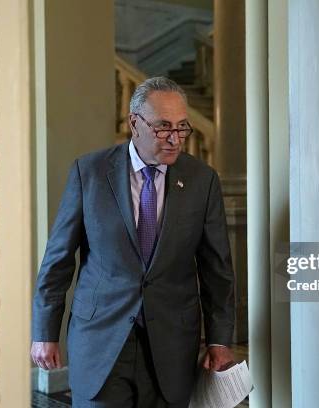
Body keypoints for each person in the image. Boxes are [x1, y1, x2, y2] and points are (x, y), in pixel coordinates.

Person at [30, 77, 235, 407]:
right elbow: (58, 260)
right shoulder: (90, 172)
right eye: (163, 127)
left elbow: (217, 270)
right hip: (100, 339)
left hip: (172, 344)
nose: (174, 139)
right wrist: (44, 332)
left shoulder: (202, 180)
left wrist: (220, 339)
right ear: (134, 123)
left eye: (182, 128)